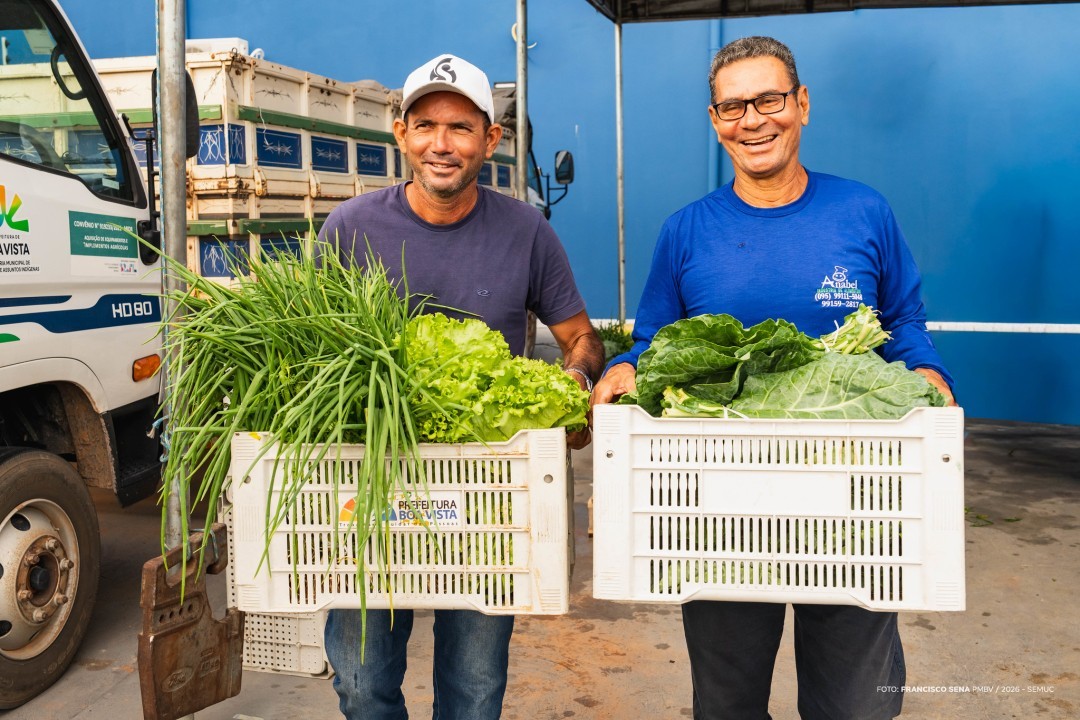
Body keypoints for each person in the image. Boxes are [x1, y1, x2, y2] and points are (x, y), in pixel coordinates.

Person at [592, 36, 956, 720]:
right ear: (715, 120)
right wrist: (621, 368)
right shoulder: (686, 231)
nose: (753, 120)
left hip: (855, 495)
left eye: (769, 100)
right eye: (734, 107)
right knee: (727, 702)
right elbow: (653, 341)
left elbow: (903, 319)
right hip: (720, 501)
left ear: (802, 104)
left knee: (854, 705)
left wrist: (929, 371)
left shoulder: (863, 211)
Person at [317, 53, 604, 720]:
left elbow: (581, 338)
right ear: (401, 133)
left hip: (485, 493)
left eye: (460, 128)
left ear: (490, 140)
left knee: (474, 688)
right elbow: (314, 352)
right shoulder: (351, 227)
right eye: (425, 126)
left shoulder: (526, 231)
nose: (441, 145)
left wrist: (573, 387)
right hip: (371, 485)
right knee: (360, 681)